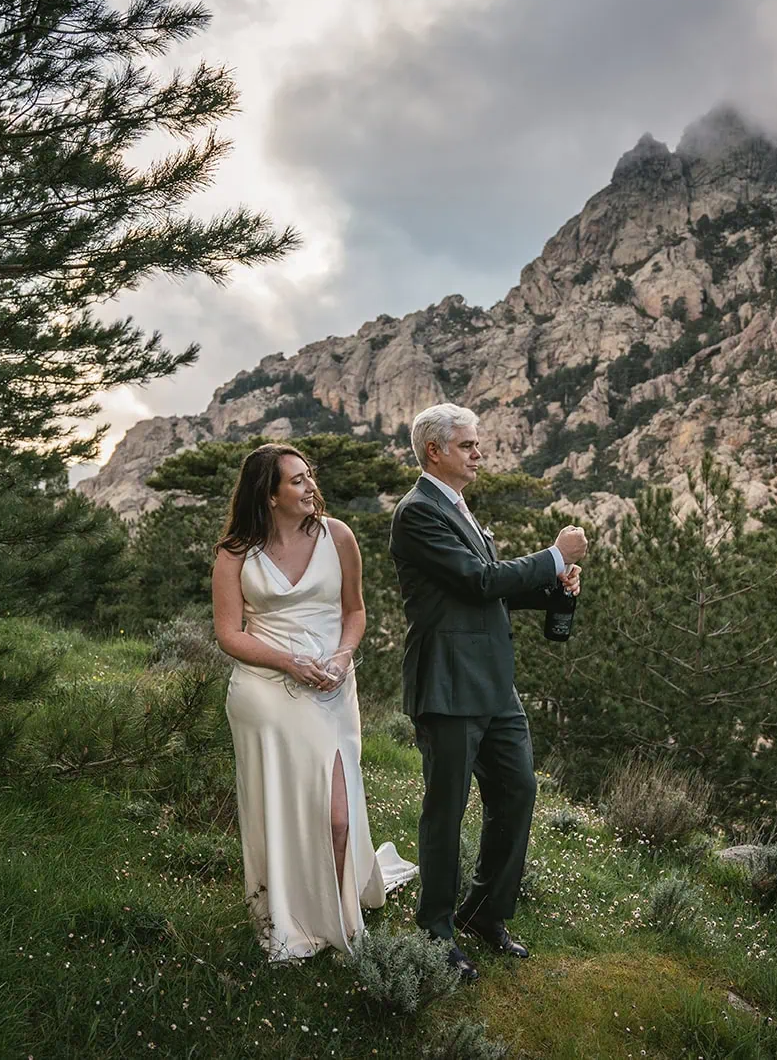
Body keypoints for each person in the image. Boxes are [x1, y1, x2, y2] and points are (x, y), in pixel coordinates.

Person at [388, 404, 586, 982]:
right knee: (445, 811)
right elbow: (477, 581)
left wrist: (555, 586)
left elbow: (486, 593)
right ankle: (435, 931)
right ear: (435, 451)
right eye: (469, 445)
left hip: (495, 686)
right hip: (447, 683)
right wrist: (553, 555)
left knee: (519, 792)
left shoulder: (461, 510)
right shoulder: (416, 513)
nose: (480, 453)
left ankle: (484, 913)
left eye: (478, 444)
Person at [212, 442, 418, 962]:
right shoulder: (236, 551)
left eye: (310, 477)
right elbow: (228, 635)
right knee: (280, 805)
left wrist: (344, 657)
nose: (310, 487)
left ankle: (340, 918)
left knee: (338, 818)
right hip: (266, 691)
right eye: (297, 481)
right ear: (270, 494)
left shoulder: (339, 536)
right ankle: (288, 915)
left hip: (330, 686)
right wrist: (289, 662)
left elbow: (355, 611)